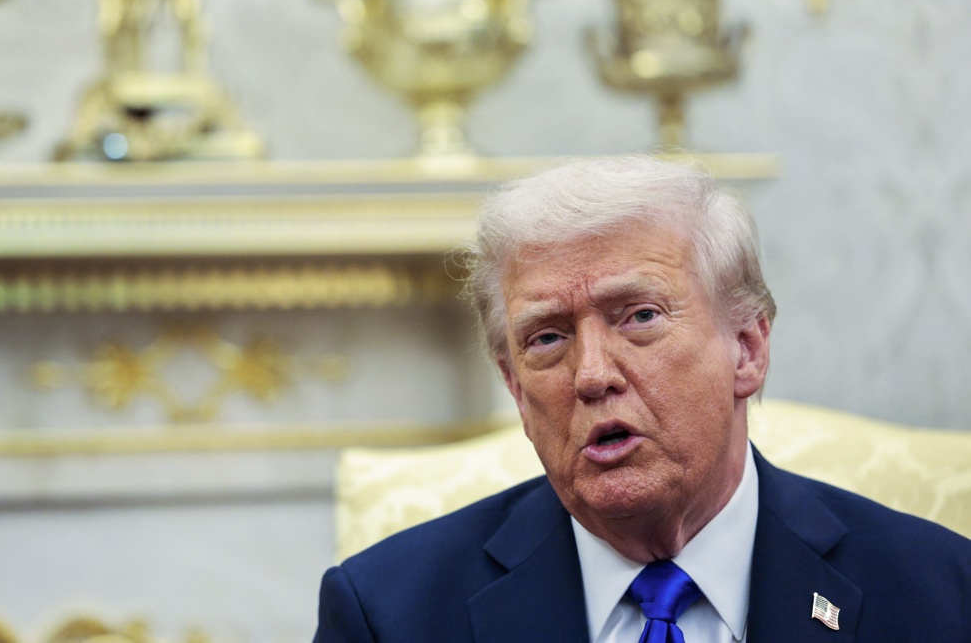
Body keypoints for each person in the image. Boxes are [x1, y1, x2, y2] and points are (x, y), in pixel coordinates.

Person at [314, 154, 971, 642]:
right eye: (547, 338)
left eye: (640, 317)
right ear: (515, 388)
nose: (592, 375)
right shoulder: (388, 615)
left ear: (747, 348)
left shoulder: (939, 594)